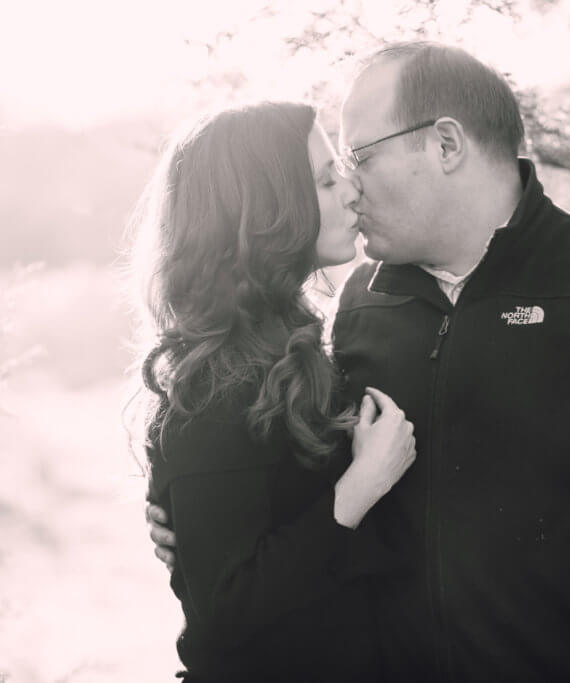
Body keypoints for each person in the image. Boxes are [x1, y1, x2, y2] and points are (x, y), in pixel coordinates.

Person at [148, 43, 570, 682]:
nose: (350, 183)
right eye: (338, 168)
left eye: (362, 157)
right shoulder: (357, 301)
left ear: (445, 146)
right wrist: (189, 516)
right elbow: (274, 486)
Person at [131, 101, 417, 682]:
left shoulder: (296, 345)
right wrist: (357, 489)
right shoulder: (211, 384)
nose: (350, 190)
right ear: (266, 208)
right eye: (324, 179)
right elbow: (226, 609)